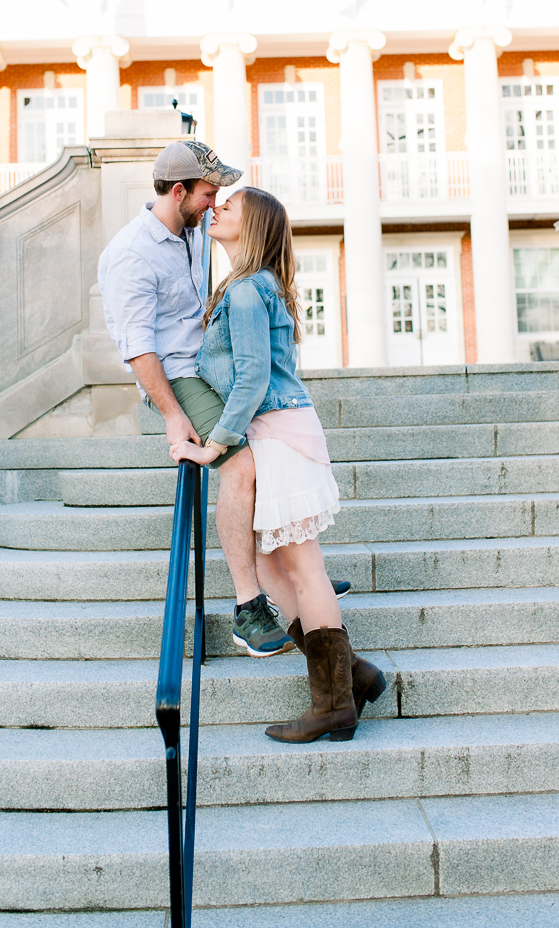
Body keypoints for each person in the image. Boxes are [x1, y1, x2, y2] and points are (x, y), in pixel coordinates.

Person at [171, 186, 386, 744]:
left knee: (303, 567)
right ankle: (353, 674)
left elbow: (252, 379)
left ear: (254, 227)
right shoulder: (250, 287)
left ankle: (334, 703)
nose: (216, 208)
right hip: (277, 434)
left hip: (278, 433)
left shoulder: (245, 292)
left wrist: (214, 444)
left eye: (230, 206)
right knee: (268, 566)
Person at [98, 139, 292, 657]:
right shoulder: (129, 254)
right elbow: (137, 347)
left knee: (274, 446)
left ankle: (290, 575)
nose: (215, 204)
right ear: (179, 191)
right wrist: (170, 413)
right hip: (178, 378)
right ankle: (248, 608)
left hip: (209, 365)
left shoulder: (192, 232)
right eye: (209, 194)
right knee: (240, 466)